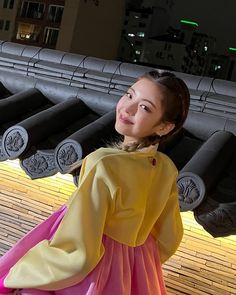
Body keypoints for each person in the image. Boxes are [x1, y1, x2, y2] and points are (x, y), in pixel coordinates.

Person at [0, 70, 190, 295]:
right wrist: (135, 262)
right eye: (130, 96)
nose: (128, 108)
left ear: (164, 127)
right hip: (134, 272)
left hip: (90, 270)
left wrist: (24, 275)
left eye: (144, 107)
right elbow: (169, 238)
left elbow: (79, 251)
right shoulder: (166, 168)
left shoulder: (103, 163)